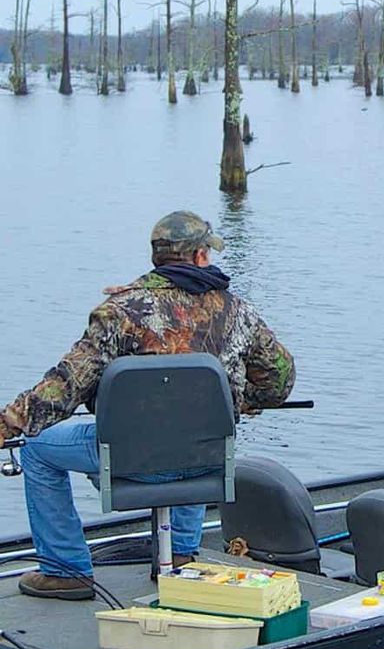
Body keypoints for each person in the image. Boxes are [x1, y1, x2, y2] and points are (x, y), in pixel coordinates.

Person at [0, 211, 296, 600]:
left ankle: (65, 570)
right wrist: (240, 400)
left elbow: (66, 385)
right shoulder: (238, 312)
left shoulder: (121, 310)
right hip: (204, 460)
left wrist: (10, 423)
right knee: (203, 430)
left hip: (129, 460)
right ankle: (181, 557)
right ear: (201, 257)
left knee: (37, 448)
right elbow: (280, 380)